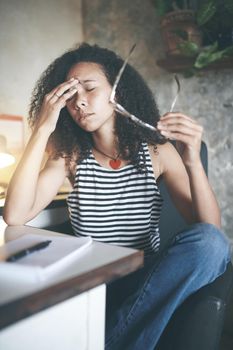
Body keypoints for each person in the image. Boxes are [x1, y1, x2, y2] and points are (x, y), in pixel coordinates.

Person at [3, 43, 230, 349]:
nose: (79, 102)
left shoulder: (158, 151)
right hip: (95, 285)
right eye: (70, 95)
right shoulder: (70, 155)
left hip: (148, 281)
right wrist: (43, 128)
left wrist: (191, 160)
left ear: (117, 92)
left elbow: (209, 229)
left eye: (90, 88)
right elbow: (15, 215)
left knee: (213, 244)